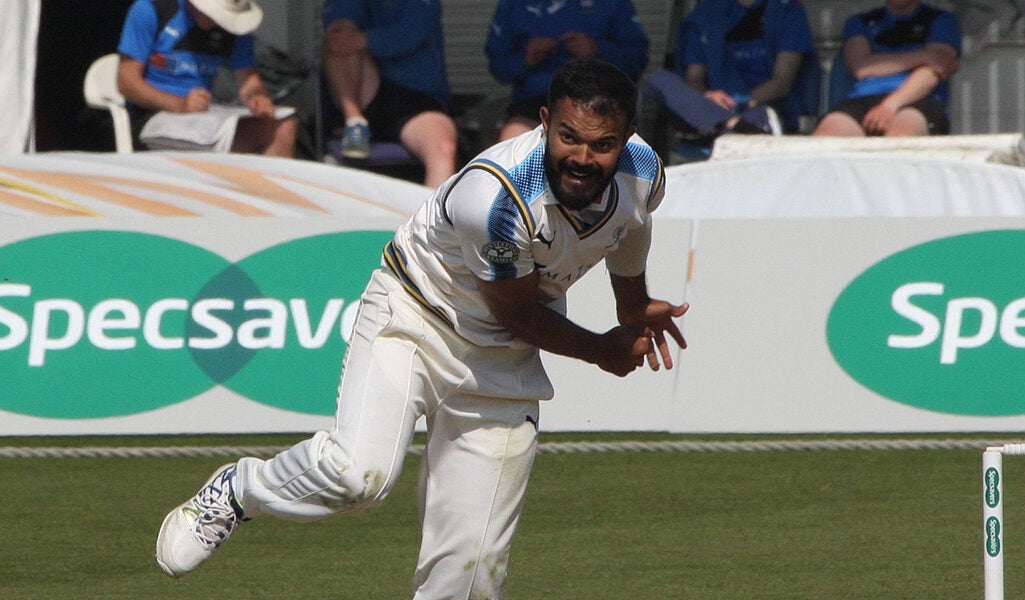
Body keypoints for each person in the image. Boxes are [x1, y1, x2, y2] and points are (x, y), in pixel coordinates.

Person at [154, 57, 688, 599]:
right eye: (569, 137)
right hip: (415, 316)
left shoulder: (643, 172)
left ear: (628, 138)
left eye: (602, 145)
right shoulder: (496, 199)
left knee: (472, 572)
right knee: (357, 475)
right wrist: (602, 350)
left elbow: (629, 230)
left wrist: (634, 307)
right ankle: (240, 489)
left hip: (502, 358)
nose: (582, 158)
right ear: (546, 121)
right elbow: (518, 313)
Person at [116, 0, 298, 157]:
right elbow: (126, 81)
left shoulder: (232, 31)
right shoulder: (153, 9)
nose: (213, 19)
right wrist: (178, 105)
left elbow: (248, 81)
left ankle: (266, 195)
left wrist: (257, 97)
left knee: (283, 125)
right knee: (230, 138)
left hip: (203, 114)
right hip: (152, 114)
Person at [323, 0, 459, 188]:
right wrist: (347, 31)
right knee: (339, 38)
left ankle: (432, 216)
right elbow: (340, 21)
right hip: (365, 94)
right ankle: (354, 123)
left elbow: (411, 33)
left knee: (443, 149)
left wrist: (365, 39)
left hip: (417, 101)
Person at [645, 0, 817, 142]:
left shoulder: (787, 10)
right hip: (709, 110)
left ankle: (733, 125)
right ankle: (730, 124)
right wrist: (708, 96)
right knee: (658, 80)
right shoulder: (705, 13)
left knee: (756, 116)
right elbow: (694, 77)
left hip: (759, 107)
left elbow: (782, 82)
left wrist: (742, 102)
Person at [485, 0, 650, 141]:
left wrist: (597, 49)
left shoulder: (613, 3)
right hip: (537, 105)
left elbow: (637, 59)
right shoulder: (514, 4)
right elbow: (499, 68)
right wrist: (525, 59)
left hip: (599, 100)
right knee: (513, 139)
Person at [812, 0, 961, 137]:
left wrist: (889, 106)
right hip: (862, 99)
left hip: (918, 99)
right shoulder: (860, 22)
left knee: (901, 136)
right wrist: (924, 56)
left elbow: (934, 70)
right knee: (825, 138)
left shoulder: (941, 20)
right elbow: (861, 67)